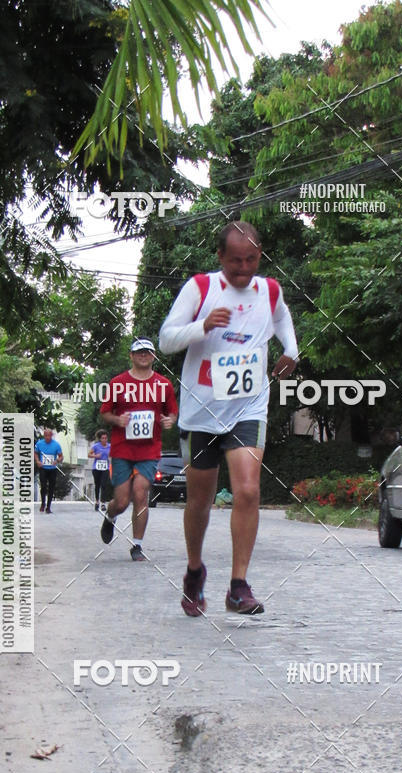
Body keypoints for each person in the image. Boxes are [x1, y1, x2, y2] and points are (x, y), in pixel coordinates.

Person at [159, 220, 299, 616]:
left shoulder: (270, 291)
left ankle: (238, 585)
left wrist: (291, 351)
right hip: (200, 411)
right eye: (235, 261)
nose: (243, 268)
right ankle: (194, 570)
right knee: (200, 502)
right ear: (220, 256)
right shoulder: (200, 288)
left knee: (249, 491)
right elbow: (166, 339)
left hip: (248, 407)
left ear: (260, 256)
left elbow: (283, 324)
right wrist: (200, 326)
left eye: (251, 260)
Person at [99, 338, 178, 561]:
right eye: (139, 352)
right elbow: (104, 412)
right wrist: (117, 419)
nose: (143, 355)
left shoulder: (164, 384)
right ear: (131, 356)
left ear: (153, 356)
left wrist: (169, 421)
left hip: (149, 450)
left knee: (141, 493)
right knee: (122, 502)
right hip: (122, 449)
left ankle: (137, 545)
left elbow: (172, 412)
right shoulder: (118, 383)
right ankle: (110, 515)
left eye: (148, 352)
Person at [34, 427, 63, 513]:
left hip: (52, 469)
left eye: (49, 436)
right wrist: (37, 461)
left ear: (51, 436)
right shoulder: (39, 444)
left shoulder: (56, 445)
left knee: (51, 487)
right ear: (44, 435)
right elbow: (35, 453)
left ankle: (48, 506)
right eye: (45, 435)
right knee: (43, 486)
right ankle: (43, 503)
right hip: (43, 468)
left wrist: (57, 460)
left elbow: (61, 456)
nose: (47, 437)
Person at [87, 429, 111, 511]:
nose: (104, 440)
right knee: (97, 484)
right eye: (103, 438)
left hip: (105, 467)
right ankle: (97, 501)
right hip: (96, 467)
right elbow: (89, 454)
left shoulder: (110, 446)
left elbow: (113, 455)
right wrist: (95, 456)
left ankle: (103, 503)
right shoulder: (96, 446)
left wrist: (110, 458)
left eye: (106, 438)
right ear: (100, 439)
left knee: (104, 484)